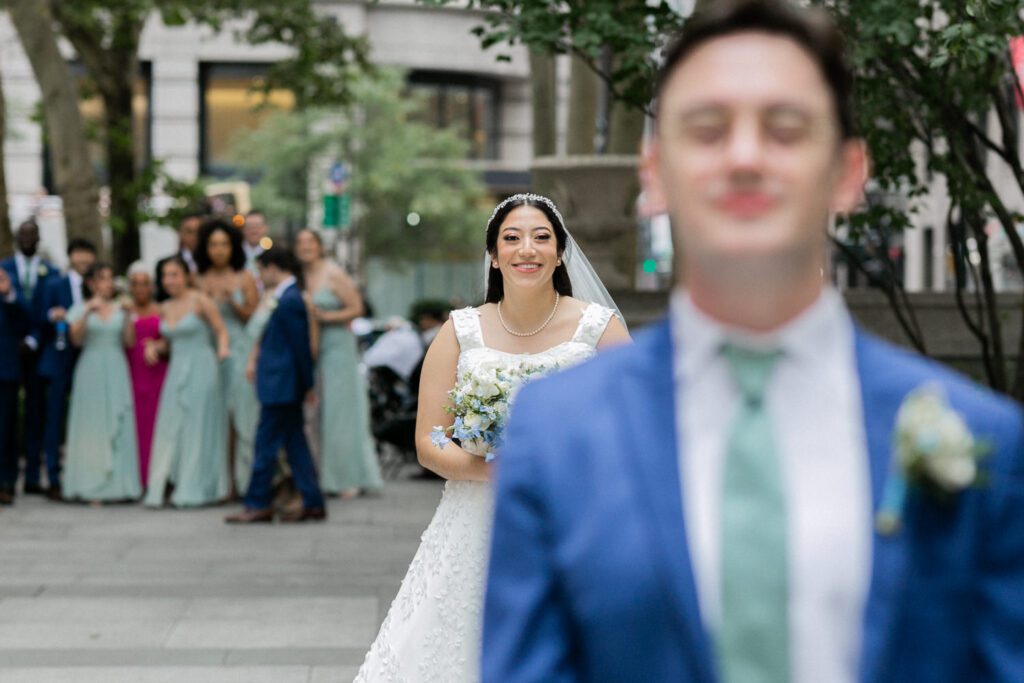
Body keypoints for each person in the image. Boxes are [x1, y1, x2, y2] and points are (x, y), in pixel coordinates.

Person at [482, 2, 1024, 682]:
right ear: (653, 174)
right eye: (707, 129)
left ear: (850, 172)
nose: (744, 156)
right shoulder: (555, 435)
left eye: (785, 128)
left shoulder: (986, 438)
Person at [354, 194, 629, 682]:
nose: (528, 249)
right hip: (477, 514)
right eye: (512, 238)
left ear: (561, 251)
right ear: (494, 254)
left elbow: (631, 433)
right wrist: (490, 470)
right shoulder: (460, 331)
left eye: (542, 237)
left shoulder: (599, 329)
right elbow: (430, 439)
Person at [225, 246, 325, 524]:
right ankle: (313, 501)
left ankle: (257, 502)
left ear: (273, 268)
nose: (259, 276)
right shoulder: (284, 297)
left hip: (282, 385)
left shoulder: (290, 299)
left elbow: (300, 347)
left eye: (261, 270)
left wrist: (306, 384)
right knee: (295, 444)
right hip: (283, 384)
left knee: (265, 443)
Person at [295, 229, 382, 498]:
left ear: (320, 246)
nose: (305, 247)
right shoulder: (300, 278)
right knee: (318, 414)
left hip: (338, 348)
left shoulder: (333, 273)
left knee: (340, 412)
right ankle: (324, 473)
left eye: (310, 242)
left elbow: (357, 308)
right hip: (313, 349)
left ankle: (347, 478)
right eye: (300, 243)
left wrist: (326, 316)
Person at [144, 256, 231, 508]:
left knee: (198, 426)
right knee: (172, 425)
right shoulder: (166, 306)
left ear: (186, 275)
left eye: (175, 274)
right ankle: (169, 483)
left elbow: (220, 330)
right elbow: (170, 341)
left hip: (202, 366)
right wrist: (155, 346)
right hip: (176, 369)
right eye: (165, 275)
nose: (170, 280)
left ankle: (198, 487)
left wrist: (223, 351)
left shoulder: (200, 300)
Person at [61, 263, 140, 503]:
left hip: (115, 365)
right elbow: (75, 339)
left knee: (119, 420)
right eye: (102, 279)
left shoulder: (121, 308)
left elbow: (129, 342)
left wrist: (127, 316)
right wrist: (87, 312)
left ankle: (120, 486)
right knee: (92, 425)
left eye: (109, 278)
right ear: (91, 283)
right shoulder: (79, 308)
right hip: (90, 368)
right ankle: (90, 485)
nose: (107, 283)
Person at [194, 217, 259, 495]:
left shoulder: (244, 277)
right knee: (213, 417)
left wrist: (233, 301)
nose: (219, 250)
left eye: (224, 244)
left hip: (239, 350)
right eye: (213, 245)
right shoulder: (197, 279)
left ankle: (242, 481)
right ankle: (217, 481)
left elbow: (254, 318)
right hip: (206, 351)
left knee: (241, 416)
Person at [36, 238, 97, 500]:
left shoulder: (97, 288)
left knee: (87, 420)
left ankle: (86, 473)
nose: (83, 259)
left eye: (88, 254)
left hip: (89, 360)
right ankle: (54, 477)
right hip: (60, 360)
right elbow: (40, 318)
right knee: (54, 419)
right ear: (71, 256)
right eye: (79, 253)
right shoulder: (54, 285)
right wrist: (54, 316)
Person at [1, 218, 57, 498]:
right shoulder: (4, 270)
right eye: (22, 235)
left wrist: (35, 338)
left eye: (31, 235)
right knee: (7, 417)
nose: (26, 240)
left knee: (37, 415)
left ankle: (34, 476)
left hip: (39, 351)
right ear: (16, 238)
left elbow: (49, 313)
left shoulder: (52, 272)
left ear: (38, 238)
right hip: (9, 353)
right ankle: (7, 479)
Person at [124, 261, 168, 488]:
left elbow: (171, 340)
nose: (141, 288)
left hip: (157, 374)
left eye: (145, 283)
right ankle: (137, 478)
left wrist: (159, 345)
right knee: (135, 428)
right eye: (136, 284)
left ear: (152, 286)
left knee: (157, 426)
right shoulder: (124, 311)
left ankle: (158, 477)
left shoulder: (162, 310)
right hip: (132, 374)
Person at [0, 267, 29, 505]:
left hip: (5, 369)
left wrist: (8, 294)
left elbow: (25, 323)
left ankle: (6, 482)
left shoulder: (9, 280)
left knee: (6, 427)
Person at [154, 211, 203, 302]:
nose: (195, 236)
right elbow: (160, 299)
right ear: (180, 233)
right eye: (189, 231)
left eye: (199, 231)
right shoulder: (164, 264)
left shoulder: (214, 262)